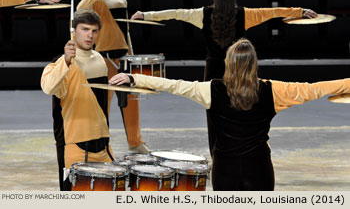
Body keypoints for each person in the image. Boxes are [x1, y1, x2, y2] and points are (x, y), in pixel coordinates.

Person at [110, 38, 350, 191]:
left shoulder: (210, 90)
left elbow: (173, 84)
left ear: (228, 63)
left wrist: (134, 77)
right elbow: (316, 88)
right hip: (259, 168)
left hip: (225, 169)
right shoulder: (273, 90)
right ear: (254, 64)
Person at [131, 0, 318, 155]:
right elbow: (273, 12)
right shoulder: (245, 14)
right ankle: (241, 148)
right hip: (238, 70)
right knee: (241, 110)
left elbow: (175, 13)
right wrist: (300, 11)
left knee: (214, 114)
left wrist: (145, 15)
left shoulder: (202, 14)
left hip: (213, 72)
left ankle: (216, 152)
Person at [77, 0, 149, 154]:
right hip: (102, 59)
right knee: (102, 105)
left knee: (131, 101)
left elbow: (125, 30)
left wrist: (131, 54)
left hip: (123, 56)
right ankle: (102, 144)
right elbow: (79, 11)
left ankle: (135, 142)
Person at [41, 9, 115, 191]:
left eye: (94, 31)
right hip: (73, 144)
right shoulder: (61, 61)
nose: (90, 35)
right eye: (85, 29)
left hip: (103, 142)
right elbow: (48, 87)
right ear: (74, 31)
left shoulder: (100, 60)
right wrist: (65, 61)